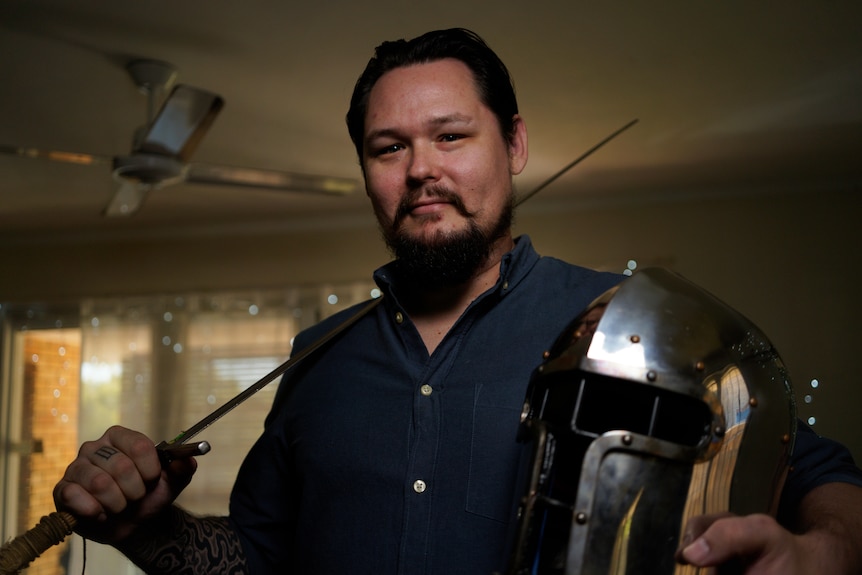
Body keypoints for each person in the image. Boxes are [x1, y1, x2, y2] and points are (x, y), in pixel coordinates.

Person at [53, 28, 862, 574]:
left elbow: (819, 473)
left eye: (450, 136)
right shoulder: (317, 357)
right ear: (365, 171)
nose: (421, 170)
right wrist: (148, 528)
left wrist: (823, 552)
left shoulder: (623, 321)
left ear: (511, 145)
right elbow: (259, 558)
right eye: (389, 147)